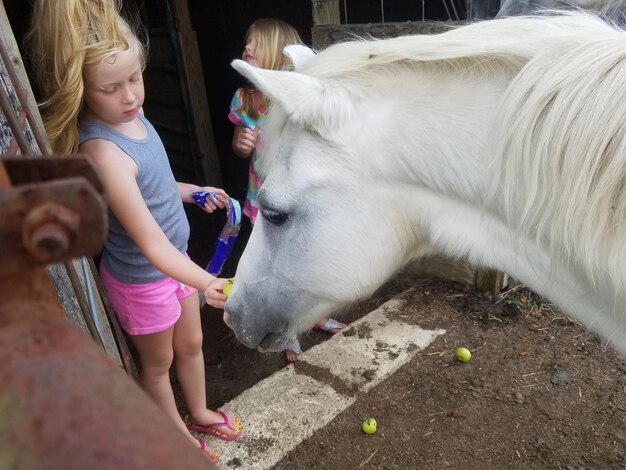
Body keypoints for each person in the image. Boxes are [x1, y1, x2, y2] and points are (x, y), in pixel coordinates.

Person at [27, 0, 241, 462]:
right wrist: (207, 280)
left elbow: (157, 187)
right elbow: (149, 240)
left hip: (175, 263)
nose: (130, 97)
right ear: (81, 89)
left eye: (135, 78)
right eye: (111, 88)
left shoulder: (135, 119)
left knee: (192, 343)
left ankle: (200, 411)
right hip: (143, 280)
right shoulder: (103, 152)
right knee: (159, 364)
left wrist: (193, 191)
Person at [229, 18, 347, 363]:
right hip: (263, 201)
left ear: (279, 52)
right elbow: (238, 151)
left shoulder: (299, 99)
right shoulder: (243, 99)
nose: (247, 47)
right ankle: (288, 330)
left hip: (300, 202)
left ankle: (317, 315)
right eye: (246, 41)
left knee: (312, 259)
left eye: (256, 42)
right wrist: (241, 143)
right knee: (277, 267)